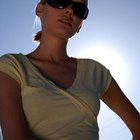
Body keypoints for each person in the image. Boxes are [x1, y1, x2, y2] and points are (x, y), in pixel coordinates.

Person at [0, 0, 140, 140]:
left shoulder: (95, 71)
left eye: (79, 10)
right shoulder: (12, 66)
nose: (70, 11)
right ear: (39, 9)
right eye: (61, 1)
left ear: (80, 26)